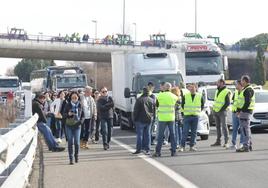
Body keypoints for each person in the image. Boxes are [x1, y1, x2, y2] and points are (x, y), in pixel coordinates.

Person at [153, 82, 178, 157]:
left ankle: (158, 152)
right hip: (171, 118)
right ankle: (173, 151)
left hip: (162, 118)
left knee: (160, 135)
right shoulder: (174, 96)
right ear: (170, 88)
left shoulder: (159, 95)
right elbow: (177, 106)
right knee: (173, 134)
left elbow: (156, 105)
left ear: (164, 88)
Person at [180, 83, 204, 152]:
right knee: (185, 132)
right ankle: (182, 146)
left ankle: (192, 146)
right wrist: (183, 114)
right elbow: (182, 105)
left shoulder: (199, 96)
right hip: (187, 116)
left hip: (195, 116)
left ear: (196, 88)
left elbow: (202, 105)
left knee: (194, 132)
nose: (192, 89)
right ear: (189, 89)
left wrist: (198, 112)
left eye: (193, 88)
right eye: (191, 88)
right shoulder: (185, 96)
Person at [132, 87, 154, 155]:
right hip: (149, 119)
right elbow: (153, 111)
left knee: (140, 135)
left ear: (143, 92)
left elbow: (135, 111)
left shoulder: (139, 100)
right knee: (147, 135)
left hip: (140, 119)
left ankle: (139, 149)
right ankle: (147, 149)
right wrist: (153, 118)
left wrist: (134, 119)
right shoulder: (151, 100)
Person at [236, 75, 255, 152]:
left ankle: (246, 146)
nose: (241, 82)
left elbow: (247, 102)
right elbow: (242, 102)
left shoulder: (248, 90)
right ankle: (248, 145)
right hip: (245, 111)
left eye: (242, 80)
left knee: (245, 130)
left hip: (245, 112)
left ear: (245, 81)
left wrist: (241, 110)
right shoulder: (246, 89)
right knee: (246, 129)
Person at [64, 91, 84, 164]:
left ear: (78, 98)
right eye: (73, 97)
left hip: (77, 125)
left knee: (77, 142)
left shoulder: (80, 105)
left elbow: (83, 116)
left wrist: (81, 122)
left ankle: (76, 155)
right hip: (69, 125)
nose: (74, 99)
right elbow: (63, 115)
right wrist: (68, 114)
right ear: (70, 98)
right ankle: (71, 158)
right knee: (70, 142)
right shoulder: (67, 105)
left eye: (75, 97)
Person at [211, 79, 231, 148]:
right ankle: (218, 141)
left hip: (222, 112)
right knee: (217, 127)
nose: (217, 84)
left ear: (222, 83)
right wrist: (214, 109)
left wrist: (221, 109)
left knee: (224, 127)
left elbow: (227, 103)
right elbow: (216, 101)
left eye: (218, 83)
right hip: (216, 111)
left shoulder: (226, 91)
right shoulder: (217, 90)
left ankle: (226, 142)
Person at [230, 80, 244, 149]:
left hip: (241, 113)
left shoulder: (244, 92)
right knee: (234, 129)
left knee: (242, 129)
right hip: (234, 112)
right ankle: (233, 144)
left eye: (237, 85)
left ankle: (241, 143)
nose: (236, 86)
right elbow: (233, 102)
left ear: (240, 85)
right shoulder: (235, 92)